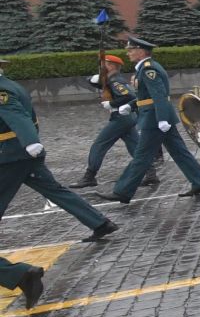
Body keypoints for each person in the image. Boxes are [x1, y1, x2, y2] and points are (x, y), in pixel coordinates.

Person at [0, 53, 118, 243]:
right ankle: (99, 223)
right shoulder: (10, 85)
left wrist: (30, 141)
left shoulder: (2, 90)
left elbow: (16, 116)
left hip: (13, 154)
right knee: (55, 191)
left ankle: (99, 223)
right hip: (23, 154)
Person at [109, 34, 200, 203]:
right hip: (156, 116)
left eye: (131, 50)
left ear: (141, 52)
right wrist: (133, 105)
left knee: (142, 156)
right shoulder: (145, 68)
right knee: (180, 152)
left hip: (155, 119)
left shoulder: (149, 69)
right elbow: (149, 96)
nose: (127, 53)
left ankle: (123, 191)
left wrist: (162, 119)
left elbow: (159, 95)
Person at [73, 55, 159, 189]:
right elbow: (95, 82)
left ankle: (89, 176)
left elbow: (129, 96)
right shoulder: (111, 79)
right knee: (135, 147)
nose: (102, 67)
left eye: (104, 65)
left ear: (112, 66)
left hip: (121, 117)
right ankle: (151, 174)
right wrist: (91, 79)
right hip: (127, 118)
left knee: (99, 145)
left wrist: (112, 103)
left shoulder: (115, 81)